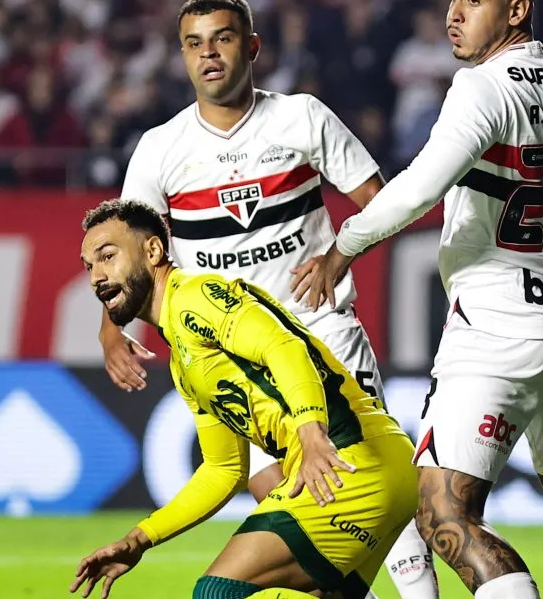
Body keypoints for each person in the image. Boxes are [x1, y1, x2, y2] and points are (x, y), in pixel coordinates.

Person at [293, 0, 543, 599]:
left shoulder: (482, 88)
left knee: (442, 512)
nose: (453, 16)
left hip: (496, 323)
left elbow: (419, 189)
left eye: (473, 0)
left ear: (517, 10)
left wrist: (343, 246)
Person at [103, 0, 438, 597]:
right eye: (193, 43)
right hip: (235, 355)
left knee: (357, 481)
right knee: (294, 518)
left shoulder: (301, 117)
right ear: (182, 57)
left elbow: (378, 201)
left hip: (318, 333)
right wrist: (111, 330)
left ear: (252, 47)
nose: (208, 54)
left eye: (223, 38)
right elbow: (131, 252)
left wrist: (342, 254)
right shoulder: (160, 148)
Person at [71, 198, 420, 599]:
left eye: (107, 256)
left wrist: (310, 431)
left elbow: (283, 347)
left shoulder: (196, 298)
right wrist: (140, 539)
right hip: (373, 468)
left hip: (349, 460)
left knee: (217, 592)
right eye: (88, 266)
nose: (97, 276)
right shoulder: (184, 362)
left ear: (152, 251)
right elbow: (223, 470)